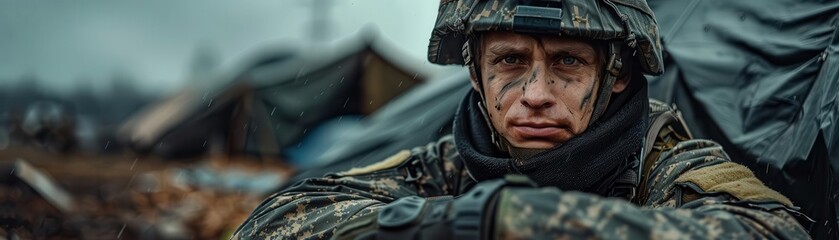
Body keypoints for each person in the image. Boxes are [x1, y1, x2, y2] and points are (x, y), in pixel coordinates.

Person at [232, 0, 811, 239]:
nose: (535, 93)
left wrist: (520, 218)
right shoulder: (449, 166)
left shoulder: (665, 161)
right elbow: (275, 223)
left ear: (616, 78)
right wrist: (453, 225)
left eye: (567, 63)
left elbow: (774, 231)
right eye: (510, 61)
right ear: (478, 78)